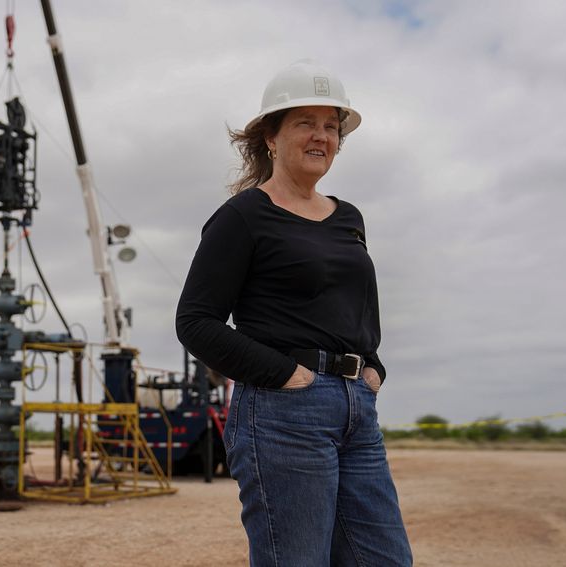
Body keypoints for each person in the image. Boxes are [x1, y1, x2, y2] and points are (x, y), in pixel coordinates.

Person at [175, 60, 412, 566]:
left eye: (331, 126)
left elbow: (357, 307)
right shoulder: (242, 216)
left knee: (386, 559)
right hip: (283, 412)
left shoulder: (349, 217)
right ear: (271, 137)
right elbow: (196, 321)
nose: (321, 136)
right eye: (305, 122)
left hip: (356, 408)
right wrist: (286, 374)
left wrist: (372, 367)